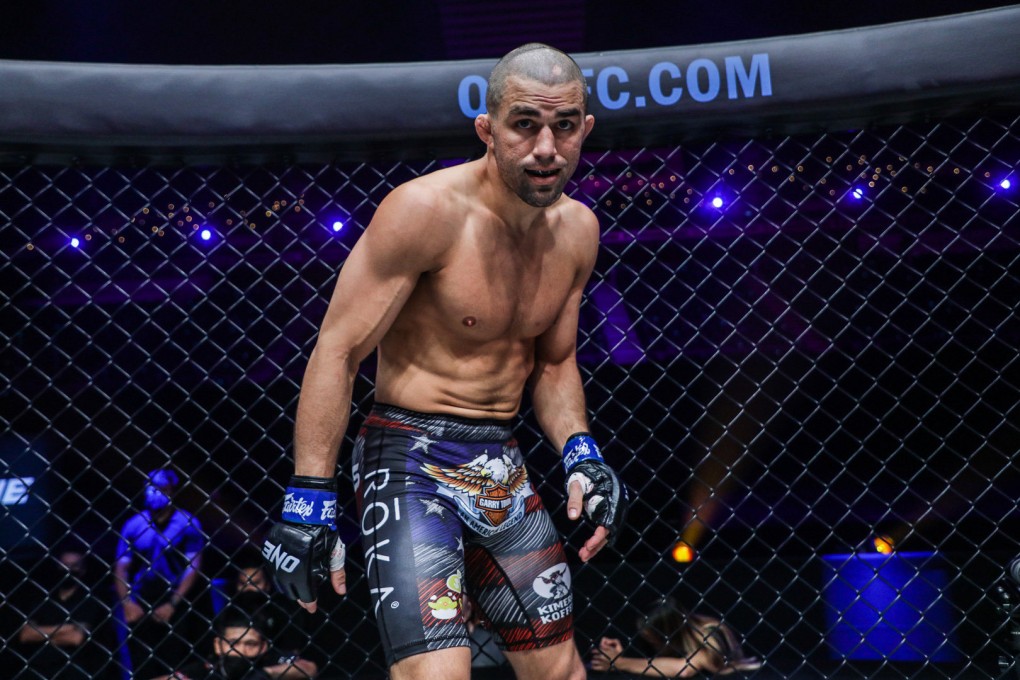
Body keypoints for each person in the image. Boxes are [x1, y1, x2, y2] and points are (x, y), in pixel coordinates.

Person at [261, 42, 627, 680]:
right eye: (525, 124)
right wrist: (309, 495)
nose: (547, 147)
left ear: (584, 129)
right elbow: (339, 348)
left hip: (499, 459)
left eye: (564, 126)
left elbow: (556, 361)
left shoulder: (578, 231)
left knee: (562, 671)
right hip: (406, 458)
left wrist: (582, 454)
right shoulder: (424, 212)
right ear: (487, 129)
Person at [114, 468, 206, 679]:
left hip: (175, 595)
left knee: (175, 659)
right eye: (151, 488)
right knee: (141, 661)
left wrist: (173, 603)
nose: (155, 493)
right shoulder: (133, 525)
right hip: (141, 597)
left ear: (172, 491)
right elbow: (121, 567)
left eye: (161, 488)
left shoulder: (187, 523)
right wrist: (127, 602)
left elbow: (193, 566)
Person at [589, 598, 760, 677]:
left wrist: (619, 662)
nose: (649, 641)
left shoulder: (708, 632)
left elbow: (684, 669)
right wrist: (614, 656)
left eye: (651, 637)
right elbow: (652, 663)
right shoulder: (661, 643)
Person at [14, 547, 116, 679]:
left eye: (74, 566)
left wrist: (41, 634)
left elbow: (75, 638)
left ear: (83, 570)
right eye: (65, 565)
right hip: (38, 670)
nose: (68, 570)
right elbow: (25, 634)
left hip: (74, 671)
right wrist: (65, 628)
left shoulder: (90, 600)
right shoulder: (44, 598)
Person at [231, 555, 320, 678]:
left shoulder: (284, 610)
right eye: (242, 583)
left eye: (255, 583)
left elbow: (295, 654)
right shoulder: (230, 611)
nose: (248, 588)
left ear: (267, 585)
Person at [159, 606, 273, 680]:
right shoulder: (203, 670)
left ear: (263, 647)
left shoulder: (273, 663)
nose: (241, 651)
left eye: (251, 644)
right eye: (233, 643)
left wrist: (269, 673)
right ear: (218, 645)